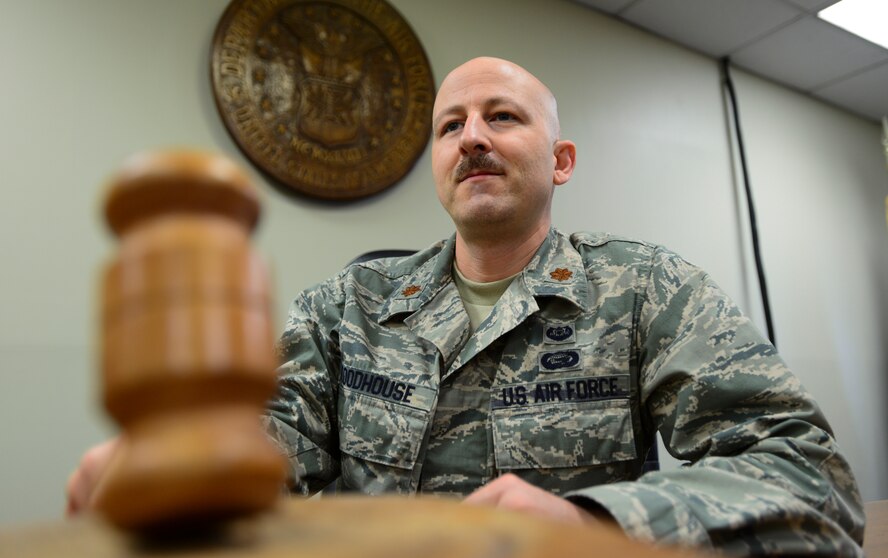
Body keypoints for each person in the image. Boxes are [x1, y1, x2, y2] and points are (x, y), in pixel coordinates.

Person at [69, 57, 865, 555]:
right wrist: (176, 458)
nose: (471, 137)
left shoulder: (646, 289)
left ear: (561, 161)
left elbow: (811, 480)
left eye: (502, 117)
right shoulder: (348, 305)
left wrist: (595, 522)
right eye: (451, 125)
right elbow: (268, 438)